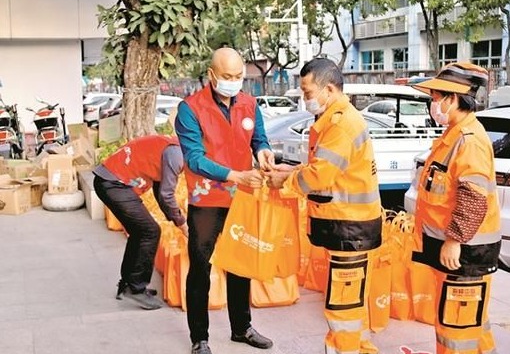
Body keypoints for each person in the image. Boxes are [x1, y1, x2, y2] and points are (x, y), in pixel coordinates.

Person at [265, 58, 382, 354]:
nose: (305, 100)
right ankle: (359, 348)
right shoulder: (334, 119)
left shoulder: (342, 124)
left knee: (343, 307)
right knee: (353, 302)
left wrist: (284, 183)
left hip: (350, 229)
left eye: (307, 93)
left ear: (328, 89)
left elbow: (320, 175)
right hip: (350, 227)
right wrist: (289, 172)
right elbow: (325, 168)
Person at [175, 47, 275, 354]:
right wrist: (236, 176)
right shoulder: (190, 109)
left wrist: (263, 152)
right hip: (207, 200)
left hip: (241, 198)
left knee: (240, 264)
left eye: (238, 76)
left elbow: (259, 138)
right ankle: (199, 338)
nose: (233, 82)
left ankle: (241, 328)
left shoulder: (249, 103)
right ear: (211, 75)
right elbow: (194, 159)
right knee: (201, 268)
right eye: (227, 76)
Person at [412, 62, 500, 354]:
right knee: (470, 325)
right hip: (459, 251)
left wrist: (453, 240)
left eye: (436, 98)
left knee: (456, 330)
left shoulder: (469, 140)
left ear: (452, 99)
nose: (433, 104)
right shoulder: (455, 134)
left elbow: (473, 197)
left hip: (465, 253)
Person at [93, 135, 187, 310]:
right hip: (114, 184)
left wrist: (176, 220)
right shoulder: (177, 154)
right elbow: (166, 196)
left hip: (111, 181)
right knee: (149, 231)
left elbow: (161, 193)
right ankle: (135, 289)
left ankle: (128, 284)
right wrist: (183, 225)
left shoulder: (175, 148)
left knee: (140, 232)